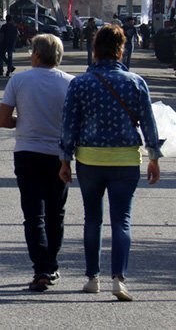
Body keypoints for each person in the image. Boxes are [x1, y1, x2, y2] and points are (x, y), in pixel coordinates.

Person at [59, 24, 162, 301]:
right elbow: (149, 123)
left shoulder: (80, 83)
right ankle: (119, 279)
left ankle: (93, 277)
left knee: (92, 219)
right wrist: (153, 157)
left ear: (94, 50)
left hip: (89, 159)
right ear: (121, 49)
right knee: (122, 221)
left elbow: (69, 124)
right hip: (125, 159)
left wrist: (65, 159)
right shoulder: (135, 83)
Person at [0, 34, 74, 292]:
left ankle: (40, 268)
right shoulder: (70, 83)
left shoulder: (19, 80)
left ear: (37, 55)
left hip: (27, 152)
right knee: (56, 213)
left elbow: (2, 120)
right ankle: (51, 265)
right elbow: (75, 123)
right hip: (58, 155)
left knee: (33, 214)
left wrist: (24, 120)